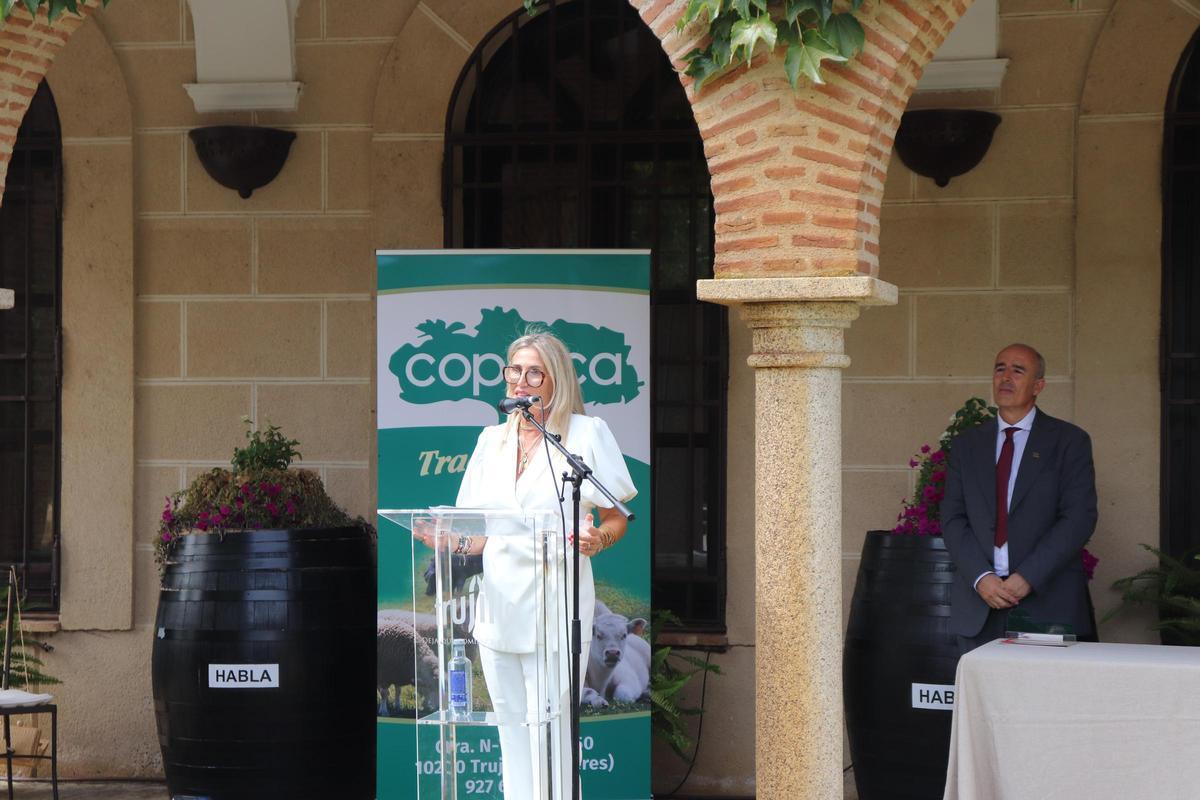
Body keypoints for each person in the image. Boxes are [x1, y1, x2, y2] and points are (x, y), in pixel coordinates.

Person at [420, 330, 635, 800]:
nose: (521, 381)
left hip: (556, 602)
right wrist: (448, 541)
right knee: (511, 730)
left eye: (533, 371)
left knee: (552, 732)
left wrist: (597, 539)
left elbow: (617, 515)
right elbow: (478, 533)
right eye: (513, 370)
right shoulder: (489, 440)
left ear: (555, 378)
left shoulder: (584, 433)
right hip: (498, 605)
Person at [941, 343, 1098, 654]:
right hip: (979, 605)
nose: (1006, 377)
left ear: (1038, 385)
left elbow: (1079, 518)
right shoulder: (967, 445)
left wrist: (1028, 576)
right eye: (1000, 368)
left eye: (1018, 370)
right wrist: (981, 577)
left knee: (1046, 701)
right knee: (984, 702)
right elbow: (953, 518)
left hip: (1047, 605)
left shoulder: (1069, 441)